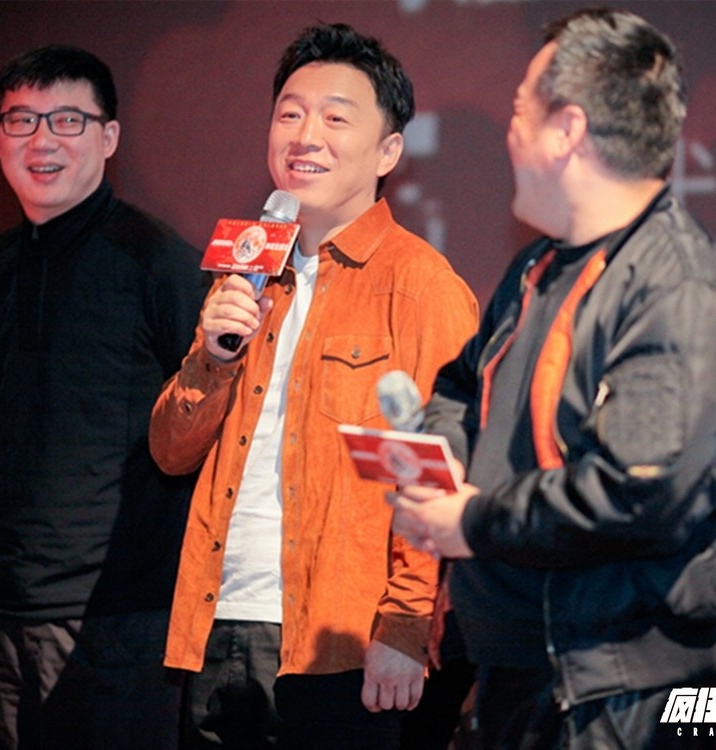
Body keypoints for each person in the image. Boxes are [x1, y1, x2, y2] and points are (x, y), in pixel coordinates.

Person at [389, 7, 716, 749]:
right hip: (526, 673)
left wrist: (472, 521)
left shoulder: (679, 290)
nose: (509, 133)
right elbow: (462, 386)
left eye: (520, 111)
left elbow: (638, 493)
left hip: (620, 693)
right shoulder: (538, 266)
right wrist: (441, 457)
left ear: (566, 130)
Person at [149, 22, 479, 750]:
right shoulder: (246, 273)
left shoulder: (422, 288)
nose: (305, 136)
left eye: (336, 118)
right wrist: (214, 356)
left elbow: (439, 474)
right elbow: (170, 451)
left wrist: (405, 624)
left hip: (340, 643)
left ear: (388, 151)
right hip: (216, 620)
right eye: (290, 114)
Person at [0, 44, 209, 749]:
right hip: (2, 607)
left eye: (68, 120)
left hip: (118, 620)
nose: (42, 140)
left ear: (109, 137)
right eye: (21, 120)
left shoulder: (158, 261)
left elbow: (203, 423)